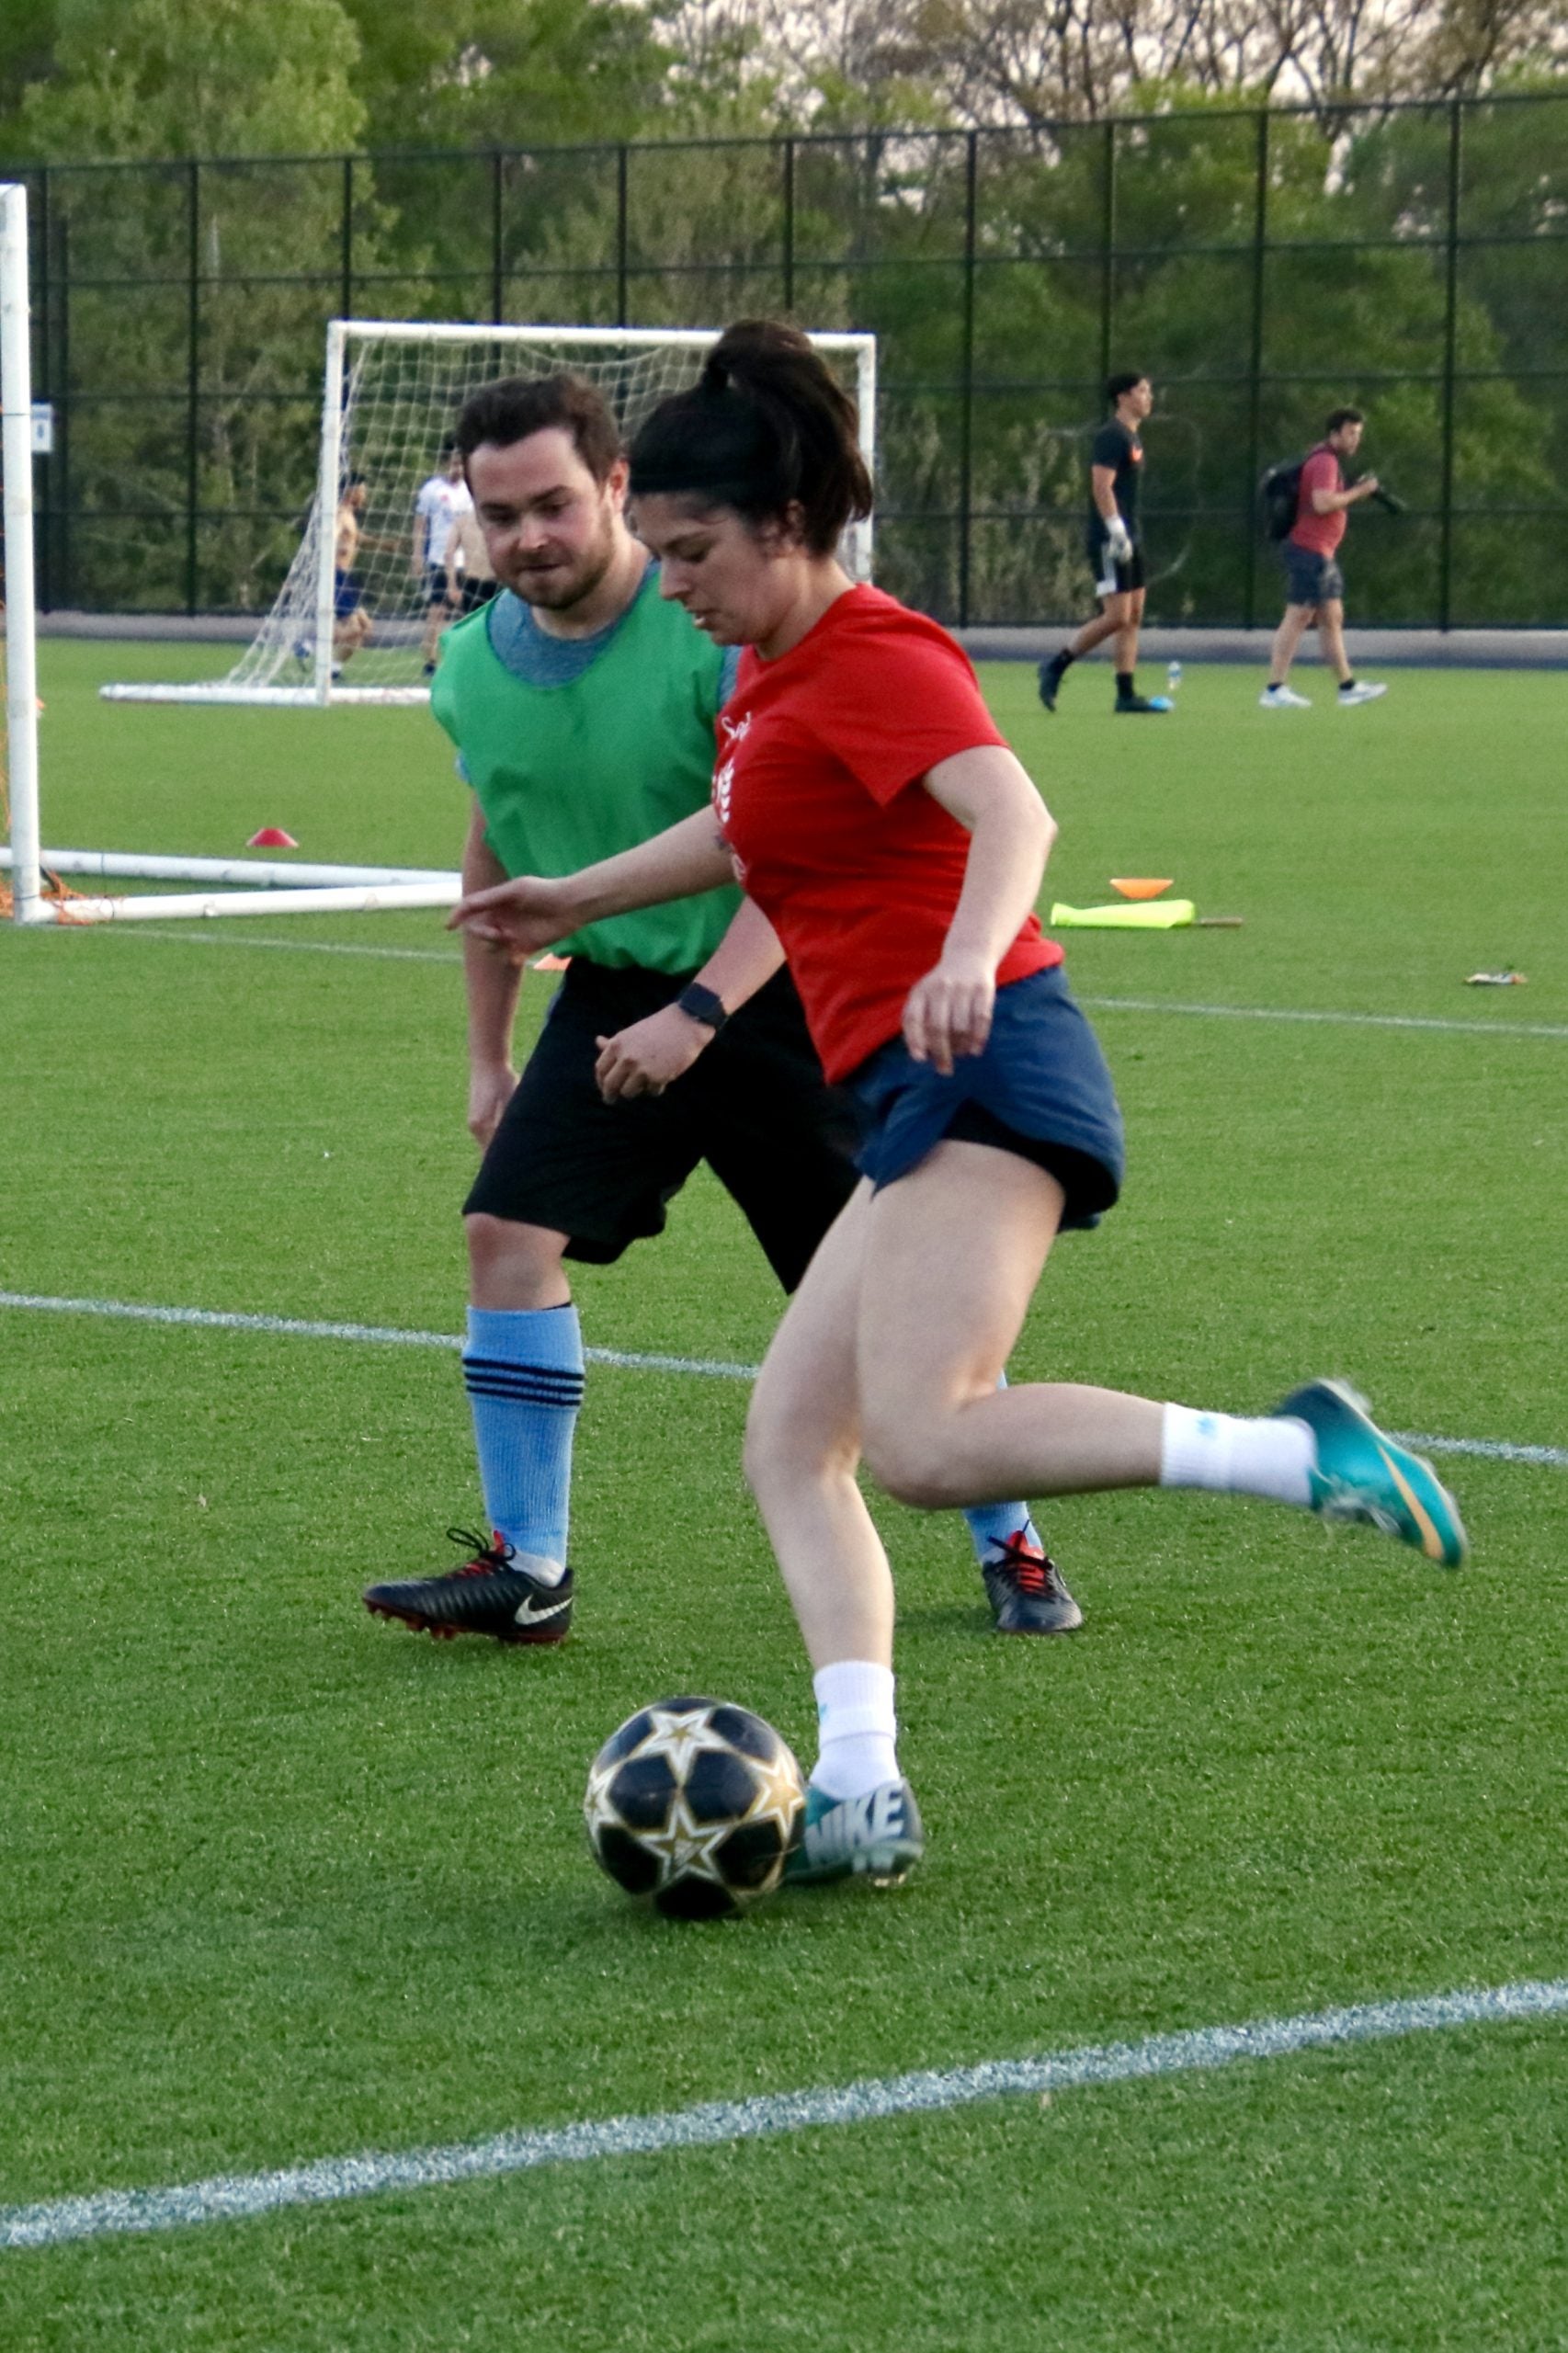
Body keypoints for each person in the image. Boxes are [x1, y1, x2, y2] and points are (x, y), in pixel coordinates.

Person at [448, 320, 1468, 1891]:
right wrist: (567, 896)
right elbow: (742, 828)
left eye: (698, 550)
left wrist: (971, 960)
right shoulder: (767, 675)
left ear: (786, 528)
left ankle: (1293, 1454)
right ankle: (860, 1787)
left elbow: (1016, 806)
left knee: (924, 1444)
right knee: (795, 1445)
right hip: (916, 1083)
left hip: (990, 1063)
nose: (684, 581)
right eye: (663, 550)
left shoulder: (875, 653)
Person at [361, 370, 1075, 1652]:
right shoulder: (468, 666)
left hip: (783, 989)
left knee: (889, 1299)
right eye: (499, 512)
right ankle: (530, 1569)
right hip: (615, 997)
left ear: (615, 488)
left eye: (555, 506)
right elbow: (495, 851)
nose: (528, 537)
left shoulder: (719, 623)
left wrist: (700, 1009)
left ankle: (1009, 1543)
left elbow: (772, 846)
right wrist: (485, 1055)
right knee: (504, 1234)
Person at [1038, 371, 1168, 717]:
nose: (1148, 397)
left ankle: (1126, 693)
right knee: (1116, 616)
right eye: (1142, 391)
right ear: (1123, 397)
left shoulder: (1133, 437)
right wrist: (1116, 529)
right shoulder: (1111, 435)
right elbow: (1101, 486)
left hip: (1130, 533)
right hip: (1110, 538)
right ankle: (1055, 665)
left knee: (1134, 615)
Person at [1261, 409, 1388, 709]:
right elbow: (1322, 503)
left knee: (1332, 618)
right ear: (1334, 434)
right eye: (1350, 433)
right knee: (1298, 617)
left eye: (1358, 433)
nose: (1356, 439)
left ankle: (1347, 687)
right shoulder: (1324, 461)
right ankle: (1275, 688)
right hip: (1309, 550)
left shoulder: (1325, 461)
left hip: (1320, 552)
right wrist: (1360, 492)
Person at [413, 442, 474, 674]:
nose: (457, 468)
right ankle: (430, 661)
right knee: (437, 611)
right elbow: (419, 526)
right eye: (453, 463)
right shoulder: (432, 490)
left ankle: (468, 659)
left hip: (466, 561)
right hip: (438, 559)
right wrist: (417, 555)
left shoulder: (470, 491)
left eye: (460, 463)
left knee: (470, 612)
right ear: (444, 462)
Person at [446, 502, 498, 614]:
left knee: (472, 626)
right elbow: (449, 554)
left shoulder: (462, 521)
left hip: (473, 582)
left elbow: (449, 554)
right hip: (494, 581)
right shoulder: (498, 520)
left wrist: (452, 585)